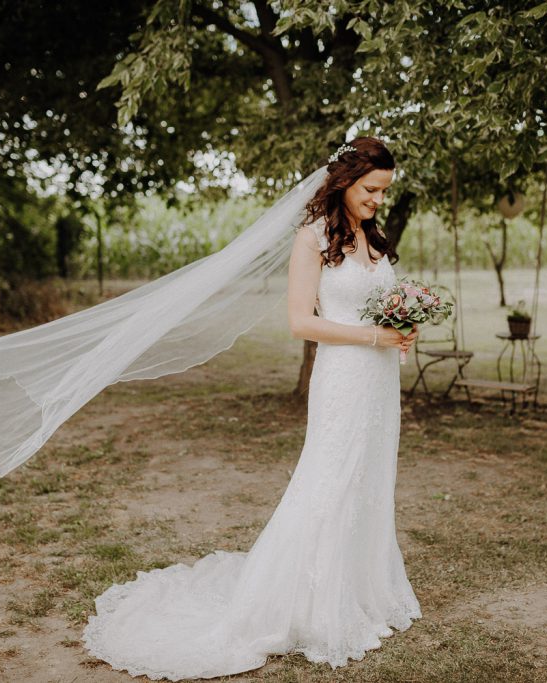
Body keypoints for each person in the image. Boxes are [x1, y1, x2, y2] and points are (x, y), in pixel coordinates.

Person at [80, 137, 423, 679]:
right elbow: (300, 323)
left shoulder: (373, 238)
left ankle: (362, 590)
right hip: (344, 378)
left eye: (385, 191)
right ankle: (309, 603)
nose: (379, 199)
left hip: (380, 383)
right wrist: (374, 338)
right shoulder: (311, 239)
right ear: (344, 183)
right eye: (372, 189)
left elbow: (382, 306)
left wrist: (404, 328)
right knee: (329, 481)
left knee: (369, 479)